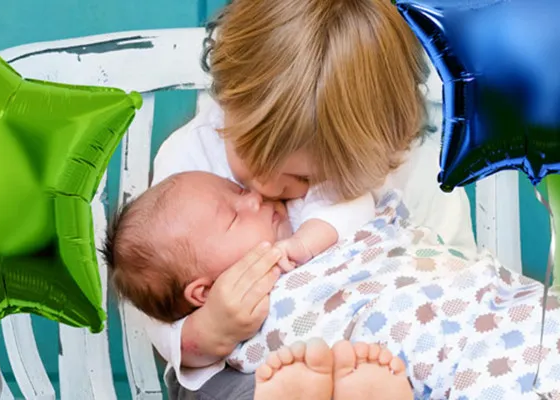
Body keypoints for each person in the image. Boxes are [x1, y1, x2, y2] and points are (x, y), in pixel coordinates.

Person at [145, 0, 477, 398]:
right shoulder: (188, 161)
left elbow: (453, 274)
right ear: (228, 100)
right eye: (249, 155)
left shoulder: (405, 169)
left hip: (381, 354)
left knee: (416, 375)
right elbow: (157, 296)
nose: (264, 189)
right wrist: (206, 330)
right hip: (245, 366)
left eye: (303, 177)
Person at [104, 171, 412, 400]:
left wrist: (305, 242)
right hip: (297, 368)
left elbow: (351, 204)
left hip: (381, 330)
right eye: (234, 217)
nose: (254, 197)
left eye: (238, 190)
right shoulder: (233, 308)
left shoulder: (298, 221)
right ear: (205, 292)